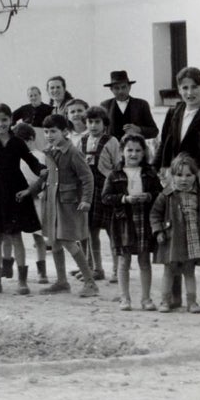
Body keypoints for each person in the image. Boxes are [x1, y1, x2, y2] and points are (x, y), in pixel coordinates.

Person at [157, 67, 200, 309]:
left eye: (194, 87)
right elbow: (166, 142)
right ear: (179, 90)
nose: (189, 92)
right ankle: (176, 295)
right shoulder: (175, 112)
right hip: (179, 181)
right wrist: (163, 169)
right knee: (177, 235)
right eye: (184, 88)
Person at [18, 114, 99, 298]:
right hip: (51, 203)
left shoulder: (73, 153)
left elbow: (87, 178)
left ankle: (90, 282)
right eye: (46, 131)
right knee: (54, 241)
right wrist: (30, 191)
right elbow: (45, 177)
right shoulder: (49, 151)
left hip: (68, 204)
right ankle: (62, 282)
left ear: (64, 132)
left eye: (53, 131)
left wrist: (86, 199)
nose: (49, 135)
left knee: (68, 241)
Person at [0, 103, 45, 294]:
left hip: (14, 192)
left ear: (11, 120)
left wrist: (41, 170)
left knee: (15, 236)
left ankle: (22, 281)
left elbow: (32, 161)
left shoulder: (17, 142)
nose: (1, 124)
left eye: (4, 120)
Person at [102, 134, 162, 311]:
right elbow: (105, 197)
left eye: (138, 150)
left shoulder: (149, 173)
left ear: (144, 153)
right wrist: (124, 199)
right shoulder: (114, 175)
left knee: (144, 261)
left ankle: (146, 299)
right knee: (123, 261)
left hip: (144, 219)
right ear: (122, 152)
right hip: (123, 221)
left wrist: (149, 196)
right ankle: (125, 298)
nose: (133, 154)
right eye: (129, 150)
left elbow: (160, 193)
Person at [151, 153, 200, 313]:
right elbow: (154, 214)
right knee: (169, 270)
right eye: (179, 175)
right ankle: (165, 301)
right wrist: (158, 230)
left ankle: (192, 302)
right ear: (172, 175)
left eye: (189, 175)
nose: (184, 179)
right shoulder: (166, 195)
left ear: (195, 176)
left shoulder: (198, 196)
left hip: (192, 239)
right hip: (172, 239)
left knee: (189, 271)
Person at [79, 106, 121, 281]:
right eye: (90, 122)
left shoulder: (112, 141)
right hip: (89, 190)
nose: (93, 125)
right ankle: (97, 268)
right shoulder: (82, 140)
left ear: (104, 124)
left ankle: (117, 270)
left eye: (97, 122)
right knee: (91, 231)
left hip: (107, 189)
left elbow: (118, 165)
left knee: (113, 231)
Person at [12, 122, 52, 284]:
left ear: (31, 139)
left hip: (36, 200)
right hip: (19, 199)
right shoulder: (14, 158)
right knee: (15, 236)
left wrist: (38, 191)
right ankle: (16, 270)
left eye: (24, 141)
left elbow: (45, 178)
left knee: (38, 237)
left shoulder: (40, 156)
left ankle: (42, 272)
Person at [100, 70, 159, 141]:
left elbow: (154, 131)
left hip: (134, 149)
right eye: (116, 88)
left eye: (123, 87)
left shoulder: (141, 104)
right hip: (112, 149)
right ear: (111, 89)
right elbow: (100, 130)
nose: (120, 91)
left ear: (129, 87)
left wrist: (139, 129)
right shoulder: (105, 105)